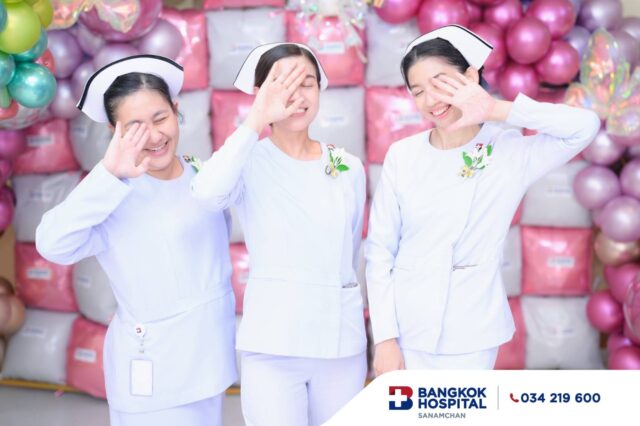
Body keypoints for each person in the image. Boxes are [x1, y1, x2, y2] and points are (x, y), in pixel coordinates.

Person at [366, 25, 600, 373]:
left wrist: (495, 109)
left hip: (471, 330)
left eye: (440, 83)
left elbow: (584, 127)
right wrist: (384, 338)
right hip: (406, 329)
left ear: (470, 76)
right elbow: (380, 251)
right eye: (418, 91)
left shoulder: (508, 150)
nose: (431, 100)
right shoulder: (403, 155)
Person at [35, 55, 236, 426]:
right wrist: (109, 174)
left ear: (176, 109)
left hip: (210, 364)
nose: (155, 136)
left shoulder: (204, 176)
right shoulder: (111, 192)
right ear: (115, 132)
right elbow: (52, 244)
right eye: (136, 127)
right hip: (155, 374)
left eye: (160, 118)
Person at [190, 43, 367, 426]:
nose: (297, 95)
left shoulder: (347, 167)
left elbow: (349, 250)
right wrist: (255, 120)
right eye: (282, 84)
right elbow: (206, 194)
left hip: (339, 342)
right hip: (273, 343)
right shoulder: (246, 160)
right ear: (260, 94)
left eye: (307, 83)